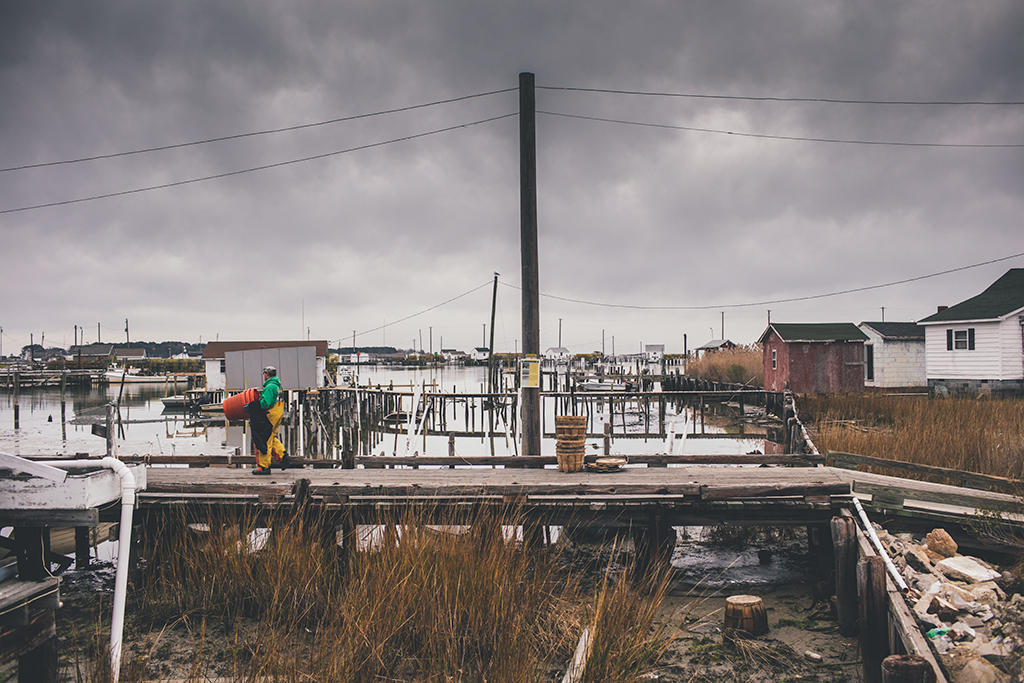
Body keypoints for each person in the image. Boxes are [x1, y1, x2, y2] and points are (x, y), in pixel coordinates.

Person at [248, 366, 289, 475]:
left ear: (267, 374)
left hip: (270, 414)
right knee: (271, 436)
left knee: (263, 439)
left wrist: (255, 405)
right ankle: (282, 456)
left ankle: (263, 467)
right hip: (278, 413)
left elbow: (265, 403)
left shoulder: (269, 387)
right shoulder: (278, 386)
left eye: (264, 374)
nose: (264, 376)